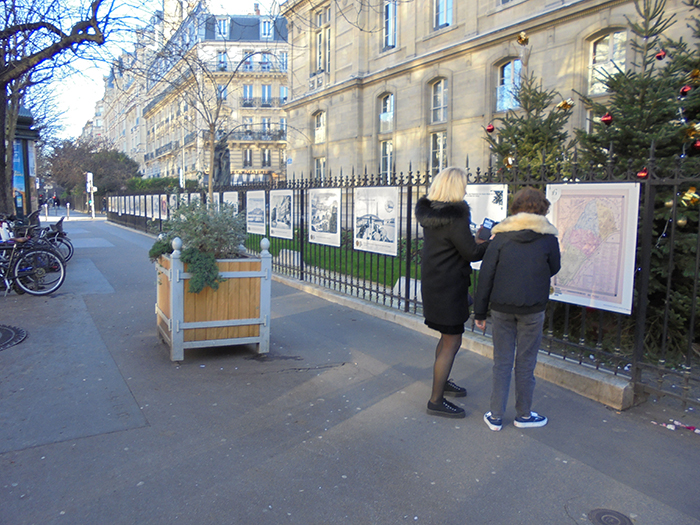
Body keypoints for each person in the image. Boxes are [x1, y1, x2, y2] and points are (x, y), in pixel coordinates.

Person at [474, 187, 561, 431]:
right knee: (526, 363)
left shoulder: (500, 238)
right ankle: (524, 414)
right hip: (532, 308)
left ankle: (495, 415)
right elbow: (554, 268)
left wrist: (480, 312)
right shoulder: (548, 238)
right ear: (542, 208)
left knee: (501, 362)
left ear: (515, 208)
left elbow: (486, 276)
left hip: (501, 307)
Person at [415, 167, 489, 418]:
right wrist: (492, 241)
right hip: (449, 287)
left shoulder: (433, 215)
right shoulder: (455, 218)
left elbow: (454, 247)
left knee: (446, 337)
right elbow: (472, 253)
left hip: (436, 283)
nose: (466, 189)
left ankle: (442, 381)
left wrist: (474, 240)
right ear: (456, 187)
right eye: (464, 185)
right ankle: (436, 401)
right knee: (452, 340)